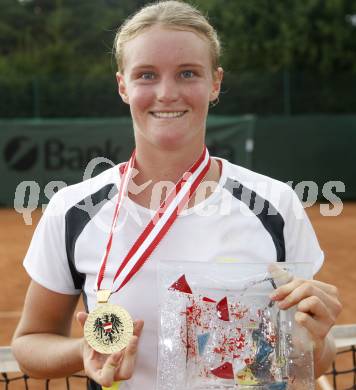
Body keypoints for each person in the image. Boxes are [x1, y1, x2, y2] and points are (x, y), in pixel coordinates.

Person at [12, 1, 342, 389]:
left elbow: (315, 357)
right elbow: (29, 343)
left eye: (188, 73)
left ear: (215, 82)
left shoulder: (277, 205)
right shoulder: (73, 211)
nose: (167, 93)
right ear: (123, 86)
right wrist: (85, 350)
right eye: (147, 75)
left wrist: (317, 336)